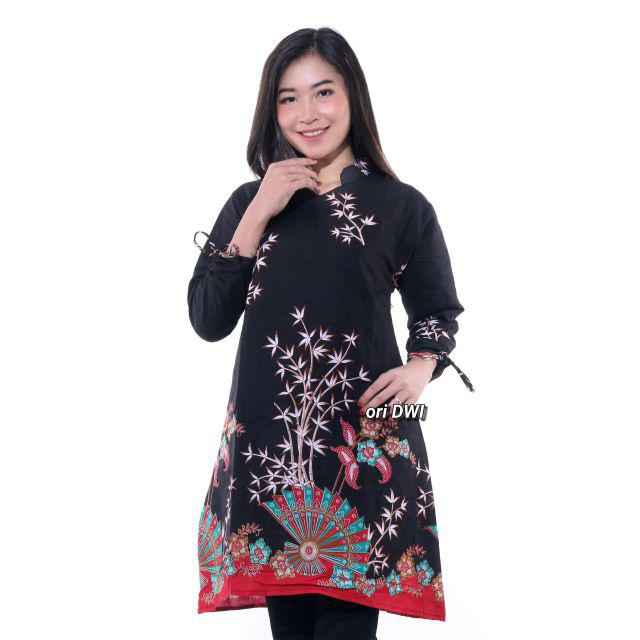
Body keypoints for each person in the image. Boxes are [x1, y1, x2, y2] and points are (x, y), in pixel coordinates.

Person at [188, 27, 473, 639]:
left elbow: (435, 311)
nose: (307, 114)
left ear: (353, 97)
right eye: (288, 98)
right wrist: (259, 211)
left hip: (360, 450)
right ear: (271, 109)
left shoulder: (402, 206)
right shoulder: (249, 201)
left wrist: (421, 368)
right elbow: (208, 319)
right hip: (272, 457)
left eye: (323, 92)